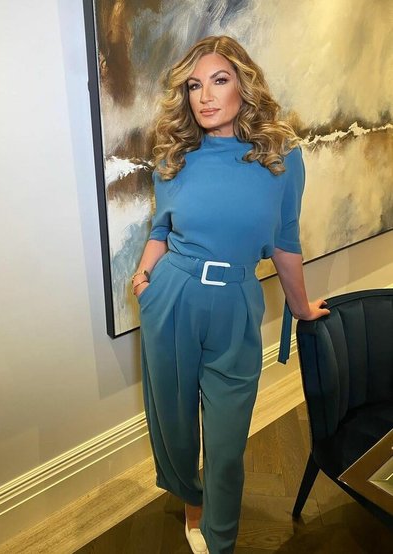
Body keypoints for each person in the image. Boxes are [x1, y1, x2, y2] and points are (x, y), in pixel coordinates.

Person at [131, 35, 329, 554]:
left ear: (244, 84)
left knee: (226, 440)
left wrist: (301, 308)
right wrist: (143, 280)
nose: (205, 96)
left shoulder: (281, 158)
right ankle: (191, 501)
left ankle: (220, 541)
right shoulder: (175, 157)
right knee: (175, 426)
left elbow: (285, 241)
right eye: (194, 85)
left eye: (219, 81)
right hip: (172, 297)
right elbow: (160, 229)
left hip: (237, 303)